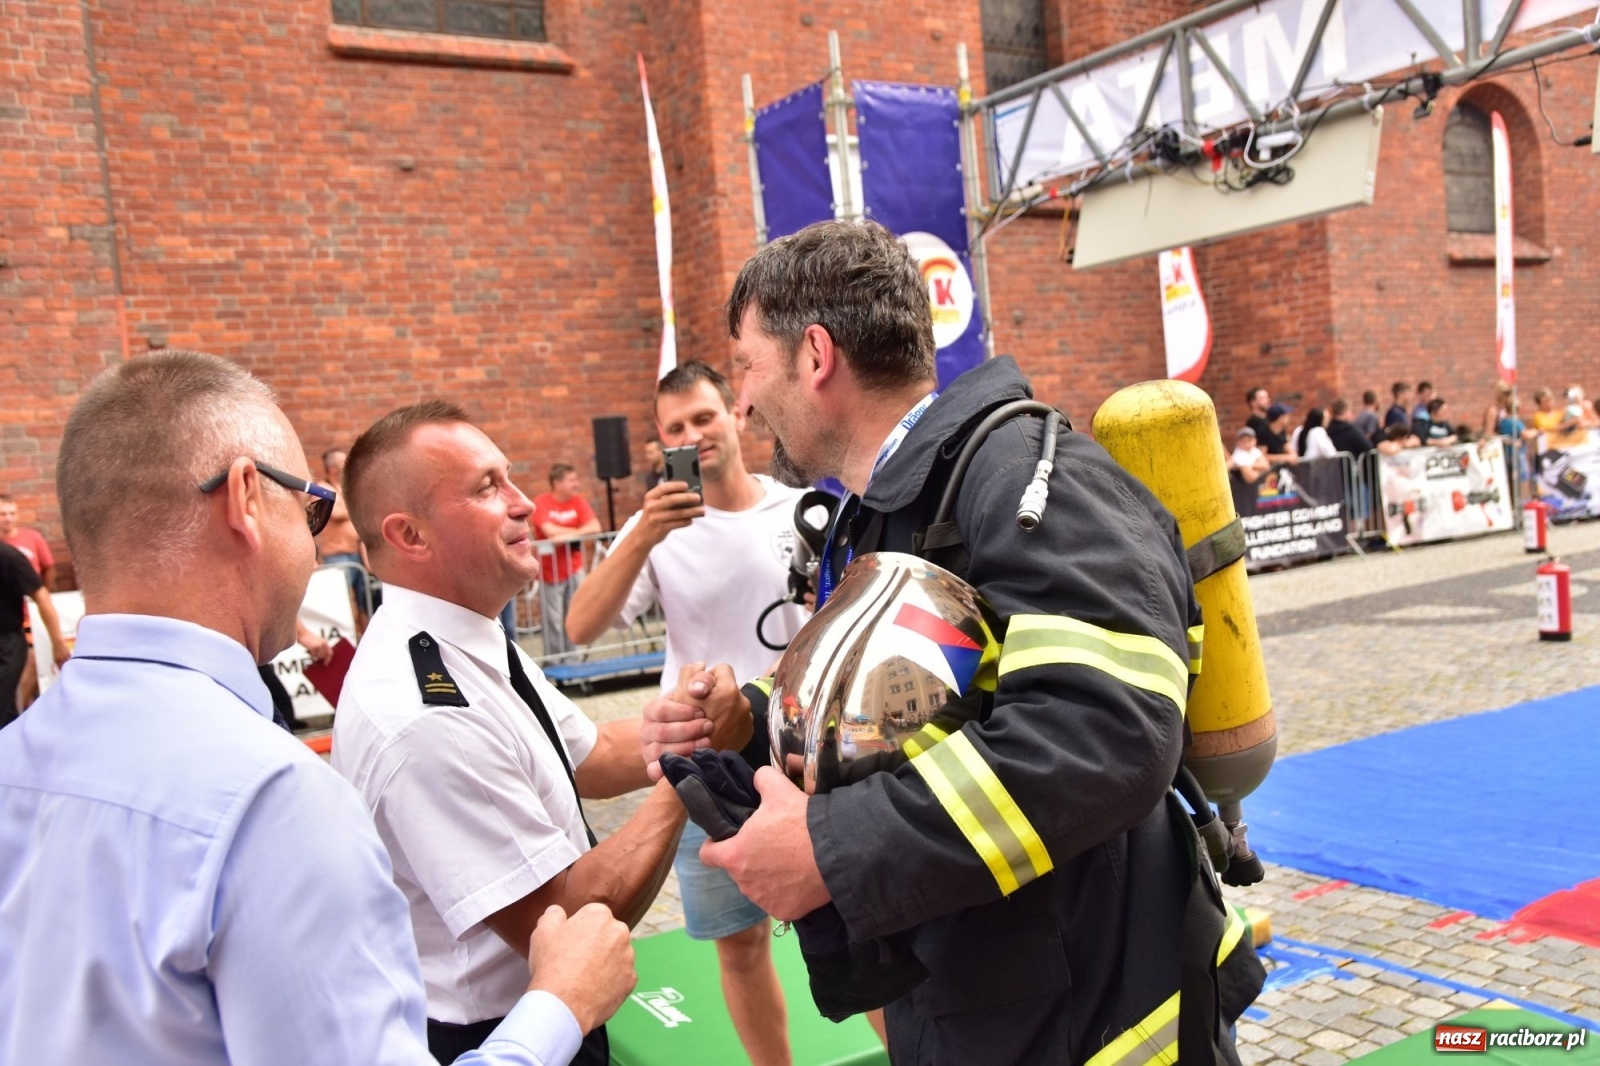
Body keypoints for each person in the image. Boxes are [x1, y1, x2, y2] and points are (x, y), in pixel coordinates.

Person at [646, 221, 1259, 1063]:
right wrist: (747, 717)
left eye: (747, 365)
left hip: (1095, 1017)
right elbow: (912, 693)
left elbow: (1103, 732)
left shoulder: (1029, 479)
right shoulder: (892, 507)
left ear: (816, 355)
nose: (742, 402)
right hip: (980, 994)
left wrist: (832, 850)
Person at [0, 350, 639, 1064]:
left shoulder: (16, 758)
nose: (315, 547)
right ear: (246, 499)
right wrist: (559, 1004)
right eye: (311, 508)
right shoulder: (272, 801)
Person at [333, 402, 691, 1065]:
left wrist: (688, 720)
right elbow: (562, 918)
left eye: (510, 477)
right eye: (487, 487)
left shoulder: (465, 634)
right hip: (502, 1032)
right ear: (411, 535)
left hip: (545, 1011)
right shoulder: (424, 712)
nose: (524, 504)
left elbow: (588, 754)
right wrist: (689, 780)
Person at [566, 361, 805, 1066]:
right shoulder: (655, 526)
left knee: (852, 925)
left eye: (703, 417)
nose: (692, 435)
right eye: (674, 428)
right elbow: (580, 626)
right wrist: (643, 532)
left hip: (794, 747)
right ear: (658, 443)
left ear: (737, 415)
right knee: (740, 943)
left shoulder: (795, 510)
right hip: (701, 762)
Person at [530, 464, 601, 660]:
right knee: (552, 619)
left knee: (574, 615)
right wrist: (577, 531)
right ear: (557, 483)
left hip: (574, 568)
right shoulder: (542, 501)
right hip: (548, 571)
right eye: (571, 480)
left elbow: (595, 527)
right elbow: (548, 530)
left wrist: (568, 535)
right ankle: (554, 661)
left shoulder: (578, 502)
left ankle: (573, 660)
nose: (576, 484)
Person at [0, 540, 68, 729]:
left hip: (7, 645)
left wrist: (57, 642)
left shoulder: (9, 557)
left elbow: (41, 597)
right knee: (8, 712)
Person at [0, 493, 57, 707]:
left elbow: (47, 571)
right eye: (2, 514)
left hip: (26, 616)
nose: (7, 518)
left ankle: (21, 708)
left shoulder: (25, 543)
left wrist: (43, 599)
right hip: (13, 617)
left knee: (31, 662)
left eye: (11, 513)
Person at [316, 447, 378, 630]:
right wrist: (358, 510)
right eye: (345, 462)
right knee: (344, 601)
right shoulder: (322, 489)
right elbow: (335, 513)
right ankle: (351, 638)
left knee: (363, 601)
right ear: (333, 469)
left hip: (356, 553)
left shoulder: (344, 488)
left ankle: (366, 635)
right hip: (337, 555)